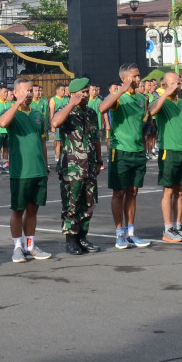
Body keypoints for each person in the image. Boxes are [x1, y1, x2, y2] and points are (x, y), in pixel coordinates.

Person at [99, 64, 152, 248]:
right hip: (120, 150)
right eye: (135, 77)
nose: (138, 79)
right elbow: (102, 108)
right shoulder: (118, 98)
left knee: (133, 192)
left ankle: (130, 232)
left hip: (137, 151)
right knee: (119, 192)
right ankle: (119, 233)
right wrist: (121, 90)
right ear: (124, 78)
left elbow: (144, 121)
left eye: (139, 76)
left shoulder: (141, 98)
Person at [0, 77, 52, 262]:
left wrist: (45, 165)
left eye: (31, 90)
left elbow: (43, 141)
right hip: (20, 172)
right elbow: (3, 123)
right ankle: (17, 247)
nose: (29, 94)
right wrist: (17, 104)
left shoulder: (38, 114)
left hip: (38, 170)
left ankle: (30, 245)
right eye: (25, 91)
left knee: (33, 210)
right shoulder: (10, 112)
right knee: (18, 210)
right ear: (15, 93)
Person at [52, 78, 103, 255]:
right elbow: (55, 123)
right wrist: (71, 104)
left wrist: (99, 160)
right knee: (71, 205)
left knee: (89, 203)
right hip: (71, 168)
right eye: (84, 92)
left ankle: (82, 237)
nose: (88, 95)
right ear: (75, 93)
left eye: (88, 92)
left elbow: (96, 138)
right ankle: (71, 240)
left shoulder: (90, 113)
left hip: (89, 166)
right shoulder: (65, 111)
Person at [149, 71, 182, 243]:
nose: (178, 85)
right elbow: (151, 111)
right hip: (169, 150)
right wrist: (165, 94)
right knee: (168, 190)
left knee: (180, 191)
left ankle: (178, 226)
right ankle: (168, 228)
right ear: (165, 85)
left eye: (179, 82)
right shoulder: (162, 101)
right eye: (174, 83)